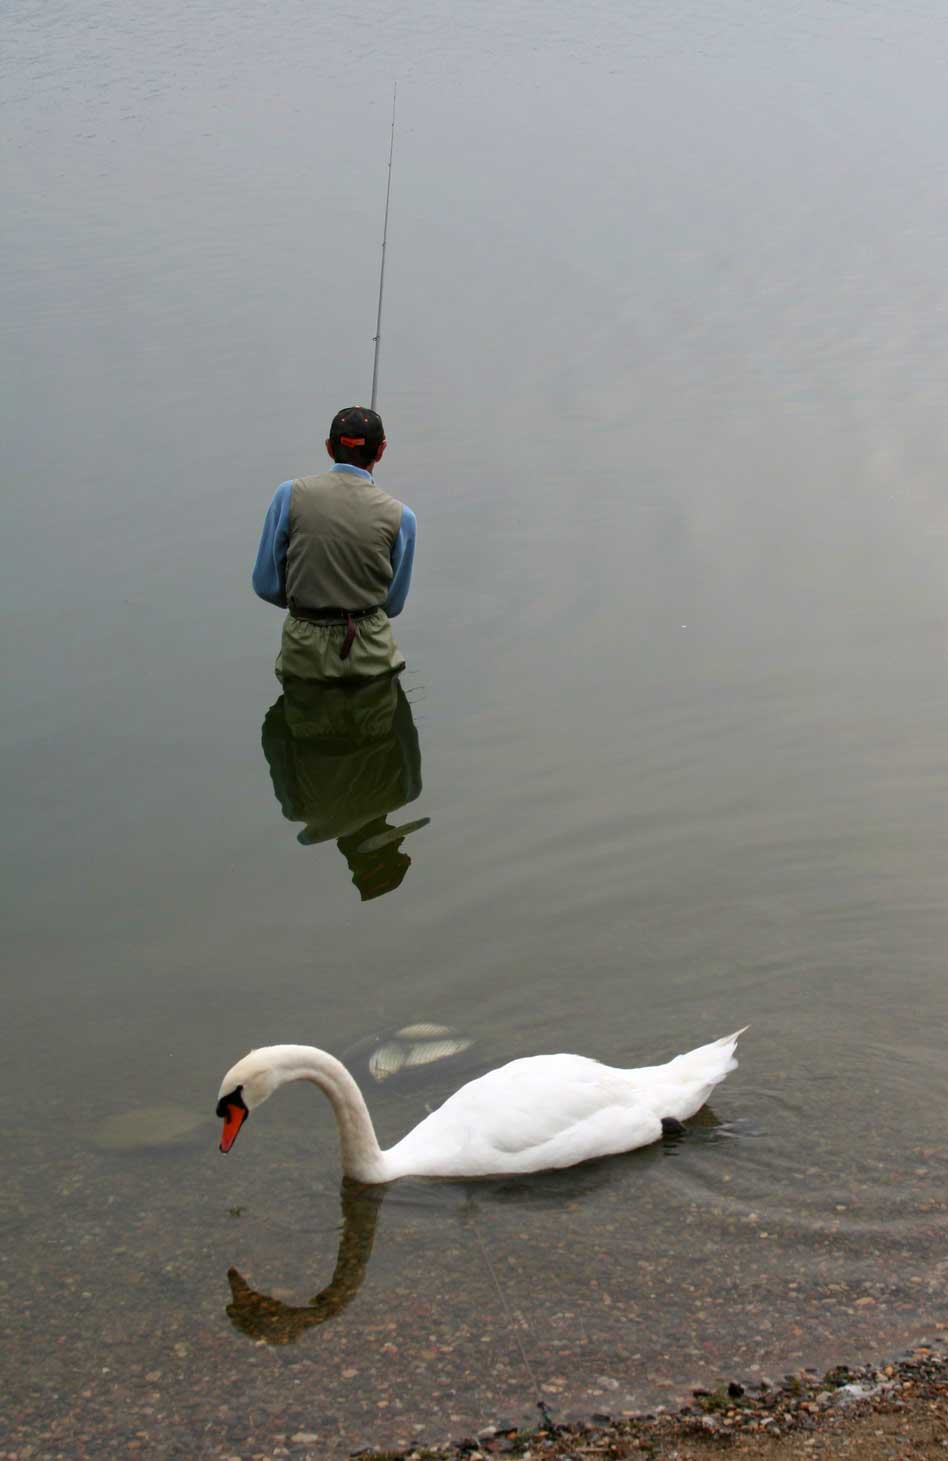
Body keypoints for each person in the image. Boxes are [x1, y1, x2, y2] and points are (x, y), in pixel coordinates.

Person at [252, 406, 416, 682]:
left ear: (329, 447)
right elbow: (393, 604)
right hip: (372, 655)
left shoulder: (288, 495)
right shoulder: (401, 517)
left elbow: (266, 586)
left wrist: (309, 605)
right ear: (381, 451)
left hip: (304, 654)